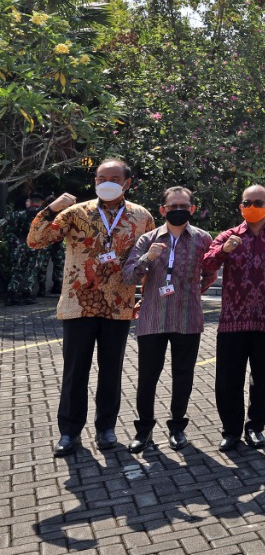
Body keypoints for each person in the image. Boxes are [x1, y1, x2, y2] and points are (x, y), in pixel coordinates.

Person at [27, 158, 154, 457]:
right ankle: (69, 432)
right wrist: (52, 208)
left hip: (119, 304)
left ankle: (105, 428)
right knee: (75, 371)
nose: (105, 182)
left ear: (127, 182)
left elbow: (149, 262)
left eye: (113, 177)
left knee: (111, 369)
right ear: (94, 181)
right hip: (78, 304)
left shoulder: (141, 217)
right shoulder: (75, 213)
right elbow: (35, 240)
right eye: (100, 177)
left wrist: (145, 296)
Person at [121, 186, 216, 453]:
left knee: (183, 374)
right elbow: (128, 275)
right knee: (148, 376)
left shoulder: (202, 238)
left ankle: (177, 427)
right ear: (162, 210)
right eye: (172, 206)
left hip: (188, 317)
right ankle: (144, 430)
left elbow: (210, 273)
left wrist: (194, 292)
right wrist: (146, 258)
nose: (178, 211)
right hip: (153, 317)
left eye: (183, 206)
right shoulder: (148, 239)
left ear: (192, 209)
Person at [201, 184, 265, 451]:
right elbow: (206, 263)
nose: (252, 207)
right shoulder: (229, 235)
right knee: (228, 378)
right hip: (232, 320)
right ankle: (231, 431)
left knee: (263, 378)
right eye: (247, 202)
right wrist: (224, 250)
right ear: (240, 207)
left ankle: (256, 428)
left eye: (258, 203)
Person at [5, 192, 63, 305]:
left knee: (18, 270)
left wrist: (16, 244)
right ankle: (27, 295)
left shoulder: (19, 214)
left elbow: (11, 231)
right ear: (42, 202)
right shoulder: (46, 215)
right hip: (38, 247)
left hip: (22, 246)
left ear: (31, 201)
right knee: (32, 270)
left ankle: (11, 294)